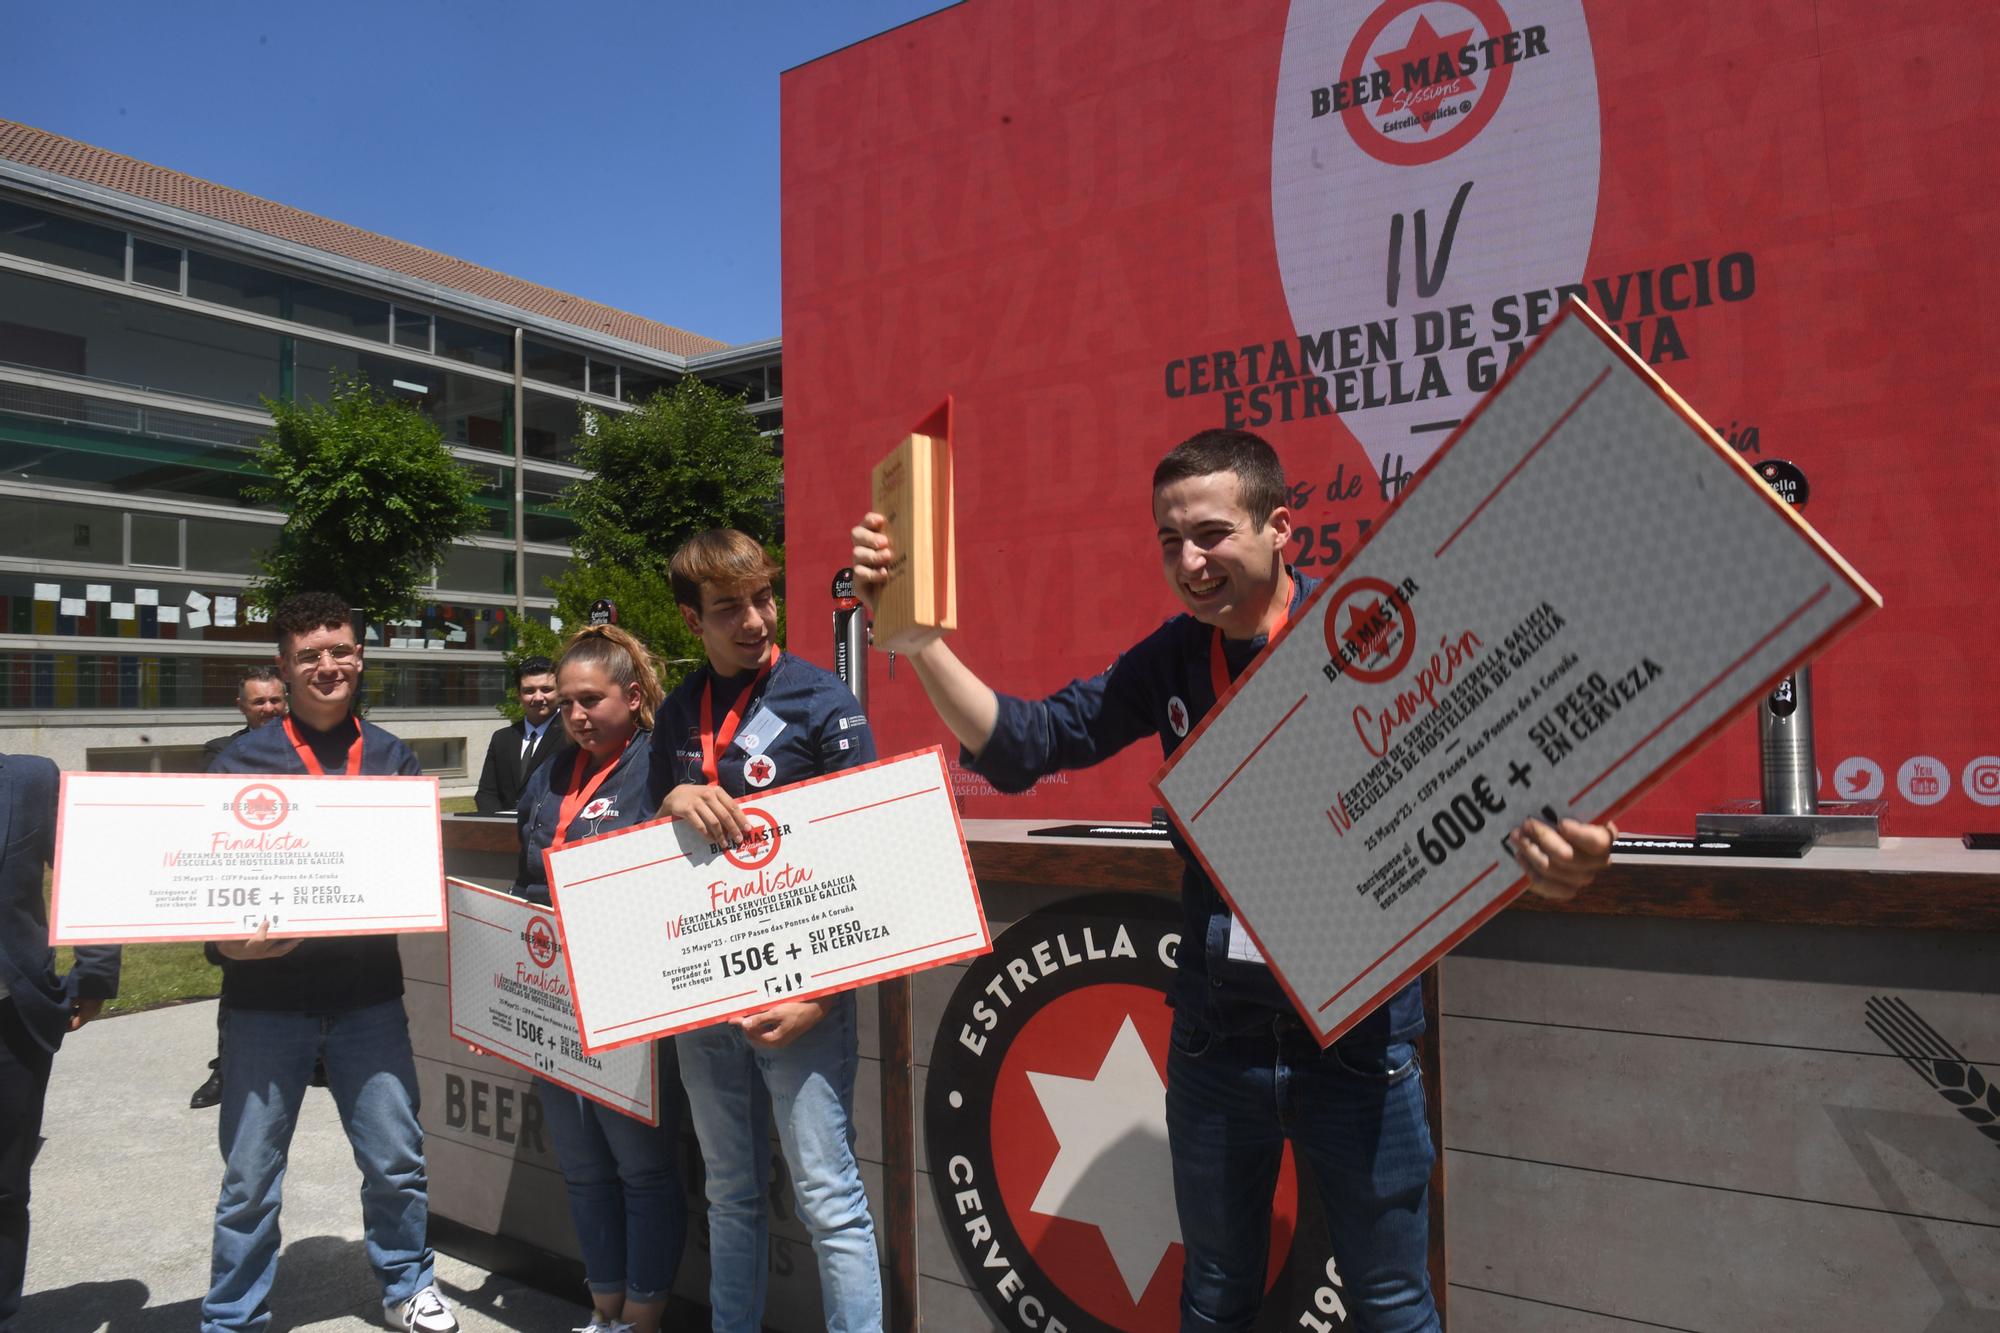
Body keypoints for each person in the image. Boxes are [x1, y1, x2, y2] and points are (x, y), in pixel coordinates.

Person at [851, 429, 1616, 1333]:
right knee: (1214, 1298)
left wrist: (1580, 849)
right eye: (1169, 540)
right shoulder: (1174, 660)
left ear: (1282, 525)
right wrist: (916, 637)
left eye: (1211, 533)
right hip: (1220, 1045)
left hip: (1360, 1049)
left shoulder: (1372, 629)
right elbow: (1025, 746)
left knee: (1394, 1303)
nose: (1189, 560)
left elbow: (1511, 778)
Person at [203, 591, 457, 1333]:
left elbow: (415, 869)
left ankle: (408, 1284)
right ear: (284, 668)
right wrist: (225, 942)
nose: (328, 665)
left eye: (340, 650)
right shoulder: (236, 763)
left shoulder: (391, 757)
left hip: (366, 997)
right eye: (310, 654)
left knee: (395, 1162)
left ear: (361, 657)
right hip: (262, 1002)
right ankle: (233, 1314)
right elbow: (200, 890)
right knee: (250, 1177)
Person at [652, 529, 883, 1333]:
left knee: (830, 1200)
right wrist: (671, 803)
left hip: (802, 998)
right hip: (704, 1002)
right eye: (728, 608)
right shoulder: (679, 710)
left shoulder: (824, 700)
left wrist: (823, 997)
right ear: (692, 621)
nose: (753, 620)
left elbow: (869, 856)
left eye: (763, 597)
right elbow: (650, 857)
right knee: (729, 1193)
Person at [508, 626, 685, 1333]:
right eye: (565, 702)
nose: (574, 714)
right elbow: (526, 879)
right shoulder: (551, 771)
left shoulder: (660, 770)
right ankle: (602, 1309)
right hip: (552, 995)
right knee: (581, 1166)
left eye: (590, 699)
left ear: (633, 696)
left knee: (640, 1167)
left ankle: (641, 1316)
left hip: (628, 992)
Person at [0, 753, 119, 1333]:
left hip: (8, 1019)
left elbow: (87, 870)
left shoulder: (27, 779)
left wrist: (94, 975)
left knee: (3, 1184)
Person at [191, 666, 291, 1110]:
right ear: (241, 706)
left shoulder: (310, 751)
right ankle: (227, 1067)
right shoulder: (220, 752)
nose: (268, 708)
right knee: (239, 976)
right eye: (259, 701)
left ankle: (319, 1061)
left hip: (300, 873)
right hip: (245, 879)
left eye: (275, 700)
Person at [474, 656, 570, 815]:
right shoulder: (501, 739)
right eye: (529, 691)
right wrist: (500, 825)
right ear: (519, 695)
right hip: (503, 833)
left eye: (546, 689)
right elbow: (486, 793)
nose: (538, 697)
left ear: (560, 692)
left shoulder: (572, 736)